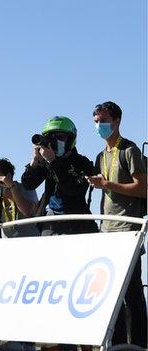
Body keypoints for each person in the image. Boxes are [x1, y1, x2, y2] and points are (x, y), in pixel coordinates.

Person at [86, 101, 147, 348]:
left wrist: (107, 185)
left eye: (103, 121)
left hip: (128, 230)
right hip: (107, 230)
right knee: (113, 294)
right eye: (96, 122)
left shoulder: (129, 150)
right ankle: (118, 343)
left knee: (132, 293)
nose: (99, 126)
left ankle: (141, 344)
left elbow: (143, 188)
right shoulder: (101, 155)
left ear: (117, 121)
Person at [21, 116, 98, 235]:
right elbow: (28, 185)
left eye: (60, 137)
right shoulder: (46, 161)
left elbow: (72, 189)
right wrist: (34, 162)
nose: (55, 142)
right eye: (50, 138)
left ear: (71, 139)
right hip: (51, 222)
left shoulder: (83, 163)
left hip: (78, 223)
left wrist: (53, 162)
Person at [0, 158, 39, 238]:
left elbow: (27, 212)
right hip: (7, 243)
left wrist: (11, 187)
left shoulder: (25, 188)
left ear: (8, 176)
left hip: (29, 240)